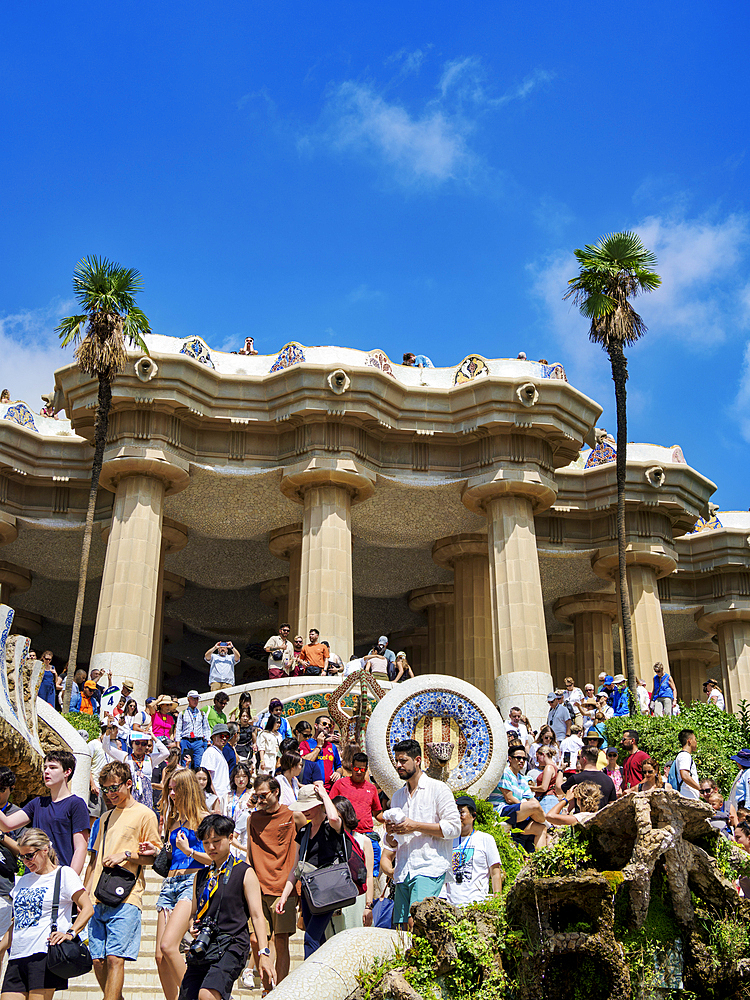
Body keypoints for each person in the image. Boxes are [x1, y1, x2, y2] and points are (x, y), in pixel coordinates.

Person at [87, 760, 161, 1000]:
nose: (110, 794)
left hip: (127, 895)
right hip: (99, 895)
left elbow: (155, 859)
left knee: (115, 958)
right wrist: (85, 895)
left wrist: (126, 854)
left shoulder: (145, 815)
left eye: (114, 787)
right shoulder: (104, 818)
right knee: (98, 961)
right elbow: (94, 860)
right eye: (105, 788)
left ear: (129, 784)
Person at [178, 814, 273, 1000]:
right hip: (204, 946)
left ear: (230, 838)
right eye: (206, 842)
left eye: (216, 841)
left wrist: (264, 953)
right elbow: (193, 914)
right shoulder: (201, 875)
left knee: (207, 995)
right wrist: (192, 927)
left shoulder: (244, 872)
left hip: (232, 944)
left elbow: (258, 916)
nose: (211, 847)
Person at [141, 768, 210, 1000]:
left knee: (170, 946)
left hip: (191, 881)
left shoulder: (204, 818)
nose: (171, 793)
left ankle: (192, 997)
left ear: (187, 789)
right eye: (170, 789)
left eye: (175, 789)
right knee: (160, 956)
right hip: (169, 882)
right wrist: (158, 851)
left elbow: (214, 858)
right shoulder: (174, 820)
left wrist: (189, 850)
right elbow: (172, 854)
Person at [1, 828, 94, 1000]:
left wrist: (70, 933)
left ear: (45, 849)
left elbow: (87, 908)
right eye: (22, 856)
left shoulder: (63, 874)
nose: (26, 861)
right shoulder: (23, 881)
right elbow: (18, 921)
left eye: (29, 855)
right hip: (17, 956)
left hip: (43, 954)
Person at [382, 739, 461, 929]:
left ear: (418, 760)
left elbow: (454, 828)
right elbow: (391, 844)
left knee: (416, 923)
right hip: (403, 870)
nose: (398, 765)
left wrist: (415, 826)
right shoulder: (397, 796)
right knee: (400, 929)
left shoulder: (438, 789)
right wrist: (391, 833)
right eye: (397, 761)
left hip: (429, 866)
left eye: (403, 761)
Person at [275, 783, 346, 954]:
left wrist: (324, 794)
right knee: (316, 938)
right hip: (309, 891)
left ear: (320, 804)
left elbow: (335, 819)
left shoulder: (331, 826)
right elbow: (295, 867)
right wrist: (284, 896)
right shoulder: (304, 831)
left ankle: (307, 979)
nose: (304, 810)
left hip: (328, 891)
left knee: (310, 938)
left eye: (309, 806)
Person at [247, 776, 301, 984]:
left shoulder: (292, 815)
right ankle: (268, 986)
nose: (259, 800)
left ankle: (278, 991)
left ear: (276, 792)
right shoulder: (253, 818)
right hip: (258, 887)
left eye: (263, 795)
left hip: (283, 889)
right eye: (256, 796)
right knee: (255, 939)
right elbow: (250, 854)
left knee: (281, 941)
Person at [0, 751, 89, 875]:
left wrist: (70, 879)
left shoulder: (76, 804)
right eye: (45, 767)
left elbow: (81, 847)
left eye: (53, 767)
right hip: (32, 876)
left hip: (59, 875)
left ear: (67, 772)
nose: (46, 771)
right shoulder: (37, 803)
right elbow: (7, 825)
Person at [439, 796, 502, 905]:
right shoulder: (447, 840)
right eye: (455, 813)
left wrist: (497, 901)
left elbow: (495, 872)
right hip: (451, 906)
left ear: (473, 816)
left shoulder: (485, 839)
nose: (457, 817)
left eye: (461, 812)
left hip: (477, 905)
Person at [331, 796, 375, 931]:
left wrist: (368, 905)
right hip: (334, 900)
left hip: (357, 898)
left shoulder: (363, 841)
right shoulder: (328, 840)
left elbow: (368, 875)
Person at [492, 746, 548, 851]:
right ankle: (547, 822)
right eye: (518, 758)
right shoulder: (505, 773)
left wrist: (532, 810)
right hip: (501, 810)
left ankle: (539, 861)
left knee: (541, 828)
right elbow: (509, 798)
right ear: (510, 759)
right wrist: (528, 809)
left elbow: (532, 799)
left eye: (524, 759)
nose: (522, 761)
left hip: (516, 813)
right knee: (534, 807)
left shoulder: (522, 778)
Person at [102, 728, 169, 809]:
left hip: (146, 797)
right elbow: (106, 748)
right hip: (131, 795)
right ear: (132, 744)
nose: (140, 746)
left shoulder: (150, 759)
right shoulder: (125, 757)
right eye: (137, 743)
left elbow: (166, 753)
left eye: (143, 744)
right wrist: (108, 730)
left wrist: (154, 737)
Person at [330, 752, 384, 832]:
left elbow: (377, 814)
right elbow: (329, 807)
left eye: (362, 769)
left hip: (367, 833)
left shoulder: (372, 788)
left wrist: (389, 819)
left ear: (366, 769)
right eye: (356, 769)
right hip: (345, 832)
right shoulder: (340, 784)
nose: (359, 772)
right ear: (352, 767)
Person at [298, 716, 342, 792]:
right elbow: (304, 762)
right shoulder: (305, 744)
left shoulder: (332, 746)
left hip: (330, 790)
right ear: (316, 725)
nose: (327, 726)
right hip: (311, 789)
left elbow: (339, 766)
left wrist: (338, 773)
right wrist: (319, 746)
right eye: (324, 724)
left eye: (329, 725)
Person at [176, 691, 212, 770]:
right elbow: (178, 729)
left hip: (198, 741)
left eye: (197, 699)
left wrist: (208, 740)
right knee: (185, 763)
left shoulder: (202, 714)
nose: (195, 701)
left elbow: (206, 728)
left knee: (198, 764)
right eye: (193, 699)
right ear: (188, 699)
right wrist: (178, 742)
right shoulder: (182, 713)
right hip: (186, 740)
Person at [225, 763, 253, 859]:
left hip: (245, 838)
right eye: (238, 776)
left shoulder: (252, 795)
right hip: (228, 836)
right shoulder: (227, 796)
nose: (241, 780)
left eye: (244, 776)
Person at [201, 726, 231, 805]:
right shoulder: (211, 752)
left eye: (227, 736)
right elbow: (207, 775)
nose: (224, 738)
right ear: (213, 737)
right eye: (221, 736)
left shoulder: (219, 753)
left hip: (223, 795)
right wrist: (215, 796)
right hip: (215, 796)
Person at [528, 746, 560, 813]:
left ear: (543, 754)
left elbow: (543, 788)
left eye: (537, 757)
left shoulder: (548, 767)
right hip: (551, 799)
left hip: (547, 801)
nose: (537, 760)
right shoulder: (555, 767)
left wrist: (531, 788)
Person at [671, 729, 700, 799]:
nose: (696, 743)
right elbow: (684, 775)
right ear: (689, 740)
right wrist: (700, 788)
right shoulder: (685, 756)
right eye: (695, 740)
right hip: (687, 797)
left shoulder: (682, 755)